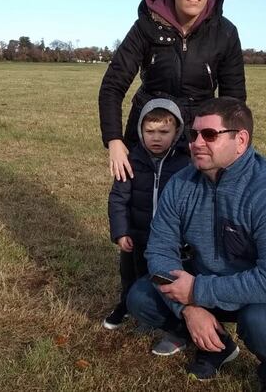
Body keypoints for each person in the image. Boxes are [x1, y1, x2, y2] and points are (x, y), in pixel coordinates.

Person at [126, 97, 266, 391]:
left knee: (262, 325)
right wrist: (189, 309)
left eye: (209, 135)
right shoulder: (181, 184)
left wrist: (196, 291)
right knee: (140, 298)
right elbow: (159, 249)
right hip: (212, 277)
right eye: (193, 134)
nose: (196, 143)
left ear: (240, 140)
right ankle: (217, 347)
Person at [98, 0, 247, 182]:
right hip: (149, 131)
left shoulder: (225, 33)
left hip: (198, 136)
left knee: (194, 208)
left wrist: (231, 147)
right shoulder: (145, 27)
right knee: (139, 203)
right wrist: (114, 140)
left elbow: (234, 100)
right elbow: (112, 85)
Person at [102, 98, 191, 356]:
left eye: (164, 132)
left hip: (170, 243)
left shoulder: (185, 164)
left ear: (177, 132)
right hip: (136, 236)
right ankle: (127, 307)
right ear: (140, 131)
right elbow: (118, 198)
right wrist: (121, 231)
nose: (156, 138)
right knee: (131, 275)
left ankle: (171, 323)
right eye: (149, 131)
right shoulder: (132, 160)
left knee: (163, 281)